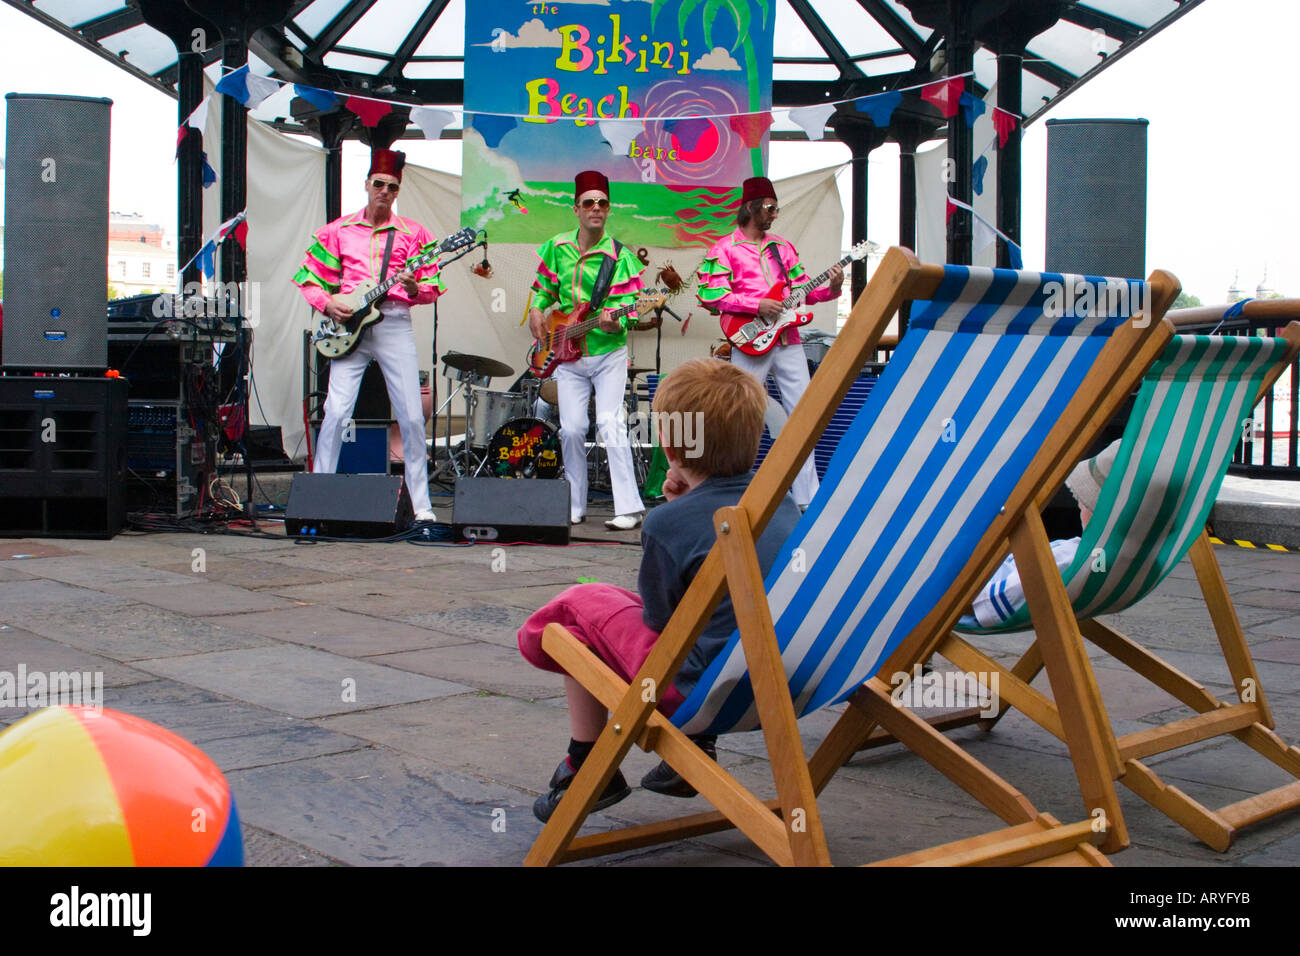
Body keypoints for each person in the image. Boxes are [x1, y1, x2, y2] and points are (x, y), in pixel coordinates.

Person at [517, 358, 802, 821]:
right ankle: (690, 751)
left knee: (575, 614)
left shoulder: (670, 523)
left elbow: (660, 622)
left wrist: (673, 514)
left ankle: (585, 764)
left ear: (669, 442)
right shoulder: (781, 502)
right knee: (699, 614)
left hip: (698, 693)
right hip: (786, 682)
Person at [292, 148, 444, 524]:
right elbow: (309, 278)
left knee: (410, 415)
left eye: (392, 187)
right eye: (379, 184)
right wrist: (328, 305)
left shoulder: (415, 234)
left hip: (393, 320)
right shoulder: (337, 230)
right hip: (348, 327)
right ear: (366, 185)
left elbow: (432, 286)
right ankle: (320, 493)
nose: (384, 192)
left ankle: (421, 505)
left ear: (397, 191)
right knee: (336, 411)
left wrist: (411, 288)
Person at [695, 176, 844, 509]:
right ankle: (732, 492)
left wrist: (833, 288)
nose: (775, 214)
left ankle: (808, 497)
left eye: (776, 208)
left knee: (803, 414)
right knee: (740, 416)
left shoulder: (783, 248)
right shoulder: (725, 248)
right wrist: (756, 305)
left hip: (788, 338)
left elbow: (806, 289)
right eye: (769, 207)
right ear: (750, 207)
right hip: (750, 339)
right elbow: (710, 293)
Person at [528, 170, 646, 531]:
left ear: (609, 210)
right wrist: (535, 308)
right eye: (589, 203)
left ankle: (629, 508)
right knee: (572, 429)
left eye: (603, 203)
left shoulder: (620, 257)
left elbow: (633, 307)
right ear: (575, 208)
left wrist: (618, 322)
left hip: (607, 353)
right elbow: (543, 289)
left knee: (610, 422)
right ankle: (574, 506)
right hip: (566, 356)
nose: (596, 208)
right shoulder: (556, 247)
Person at [965, 440, 1119, 628]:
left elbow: (984, 602)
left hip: (965, 591)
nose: (1079, 504)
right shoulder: (1116, 558)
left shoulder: (1069, 559)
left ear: (1097, 513)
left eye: (1083, 500)